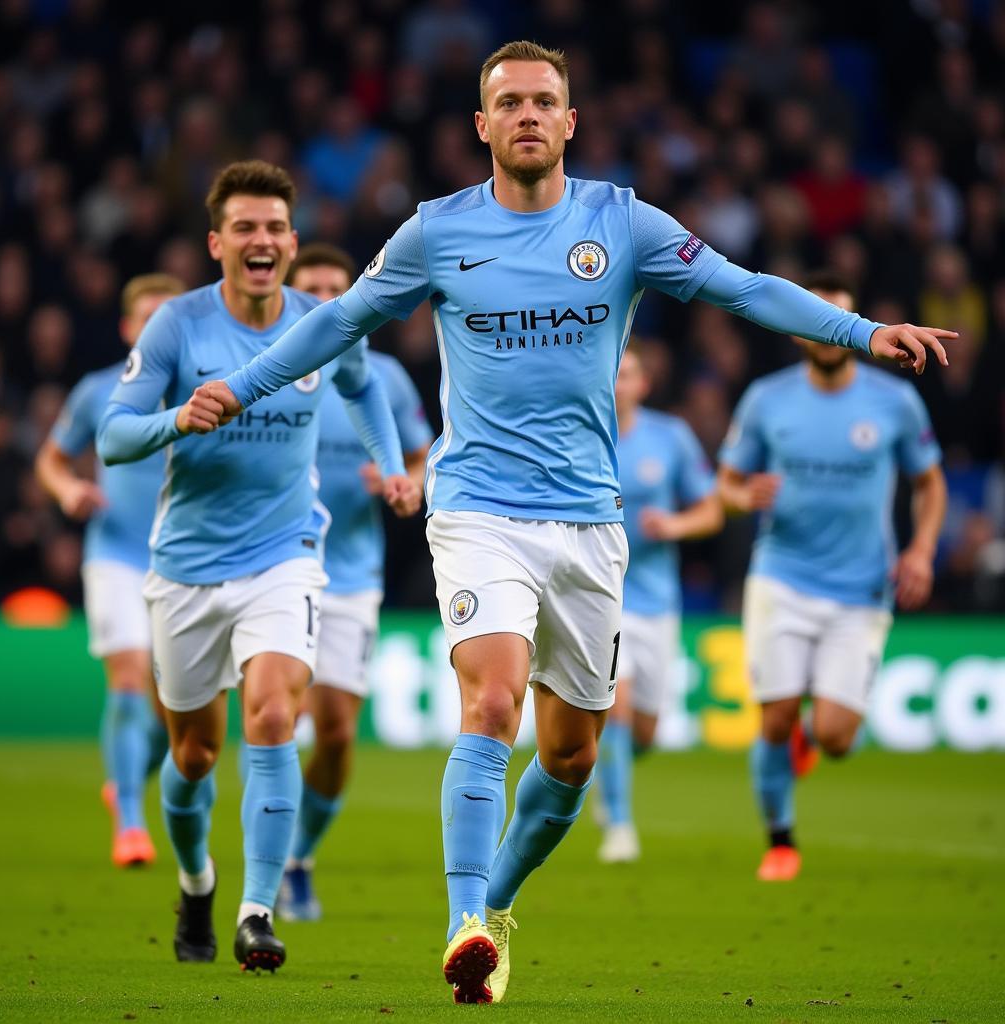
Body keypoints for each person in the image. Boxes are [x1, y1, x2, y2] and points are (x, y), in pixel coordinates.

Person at [192, 42, 953, 1003]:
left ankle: (499, 905)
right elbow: (338, 321)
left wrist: (860, 331)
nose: (525, 115)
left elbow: (744, 287)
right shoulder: (435, 232)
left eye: (543, 101)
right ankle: (464, 917)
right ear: (481, 126)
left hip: (589, 523)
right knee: (491, 704)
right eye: (506, 102)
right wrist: (244, 382)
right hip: (476, 510)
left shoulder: (621, 223)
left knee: (570, 756)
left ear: (569, 121)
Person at [96, 161, 419, 973]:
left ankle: (255, 911)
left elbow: (366, 385)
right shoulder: (177, 326)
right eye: (245, 227)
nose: (262, 240)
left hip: (286, 558)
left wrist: (390, 463)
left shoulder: (321, 322)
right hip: (186, 569)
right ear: (217, 243)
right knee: (194, 755)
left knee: (275, 718)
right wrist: (176, 417)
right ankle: (197, 879)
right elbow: (113, 438)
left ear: (292, 239)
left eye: (275, 226)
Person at [717, 270, 947, 882]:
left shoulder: (893, 401)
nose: (825, 333)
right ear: (799, 332)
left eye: (836, 318)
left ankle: (813, 740)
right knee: (774, 718)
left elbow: (929, 483)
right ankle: (781, 841)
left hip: (861, 586)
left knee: (838, 737)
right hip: (782, 576)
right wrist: (745, 496)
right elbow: (728, 486)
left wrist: (921, 550)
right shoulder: (767, 399)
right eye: (814, 319)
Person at [276, 243, 433, 921]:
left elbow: (424, 458)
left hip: (353, 574)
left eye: (335, 289)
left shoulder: (386, 378)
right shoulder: (271, 369)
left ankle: (299, 858)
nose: (323, 298)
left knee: (337, 730)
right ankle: (260, 865)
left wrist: (405, 485)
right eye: (310, 287)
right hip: (275, 565)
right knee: (280, 713)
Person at [36, 272, 184, 869]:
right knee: (126, 678)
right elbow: (51, 458)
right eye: (145, 317)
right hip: (117, 553)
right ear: (127, 328)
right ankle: (129, 821)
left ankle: (125, 779)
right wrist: (68, 487)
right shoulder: (99, 391)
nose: (154, 328)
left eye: (166, 317)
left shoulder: (208, 390)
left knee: (174, 712)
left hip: (186, 560)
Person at [596, 341, 723, 864]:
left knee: (643, 730)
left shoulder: (670, 438)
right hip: (598, 595)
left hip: (656, 602)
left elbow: (712, 510)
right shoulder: (579, 434)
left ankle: (614, 770)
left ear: (644, 384)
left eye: (628, 374)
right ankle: (620, 825)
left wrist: (674, 525)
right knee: (616, 708)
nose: (619, 382)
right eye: (613, 372)